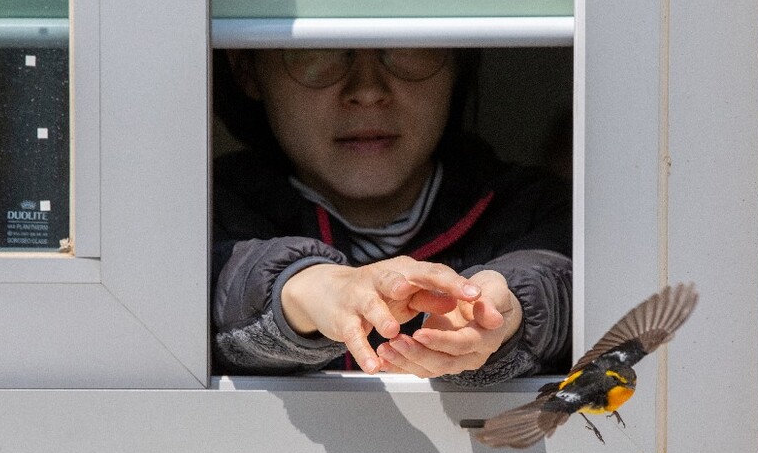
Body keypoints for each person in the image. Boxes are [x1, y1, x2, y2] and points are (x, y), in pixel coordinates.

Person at [212, 47, 572, 385]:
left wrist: (501, 314)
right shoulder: (200, 208)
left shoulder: (540, 209)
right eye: (321, 49)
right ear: (247, 69)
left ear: (457, 61)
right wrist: (304, 290)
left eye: (405, 46)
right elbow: (218, 283)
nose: (367, 91)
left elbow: (554, 276)